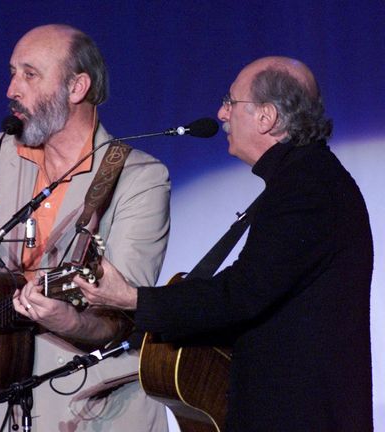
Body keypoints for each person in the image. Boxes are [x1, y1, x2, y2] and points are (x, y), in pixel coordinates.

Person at [74, 56, 374, 430]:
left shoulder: (307, 189)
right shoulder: (304, 180)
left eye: (231, 102)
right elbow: (255, 292)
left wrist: (131, 298)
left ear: (267, 117)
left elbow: (242, 295)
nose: (221, 113)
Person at [0, 25, 170, 431]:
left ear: (77, 87)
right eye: (12, 72)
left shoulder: (139, 178)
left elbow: (120, 317)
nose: (11, 89)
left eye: (29, 74)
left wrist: (69, 321)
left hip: (96, 412)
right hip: (2, 410)